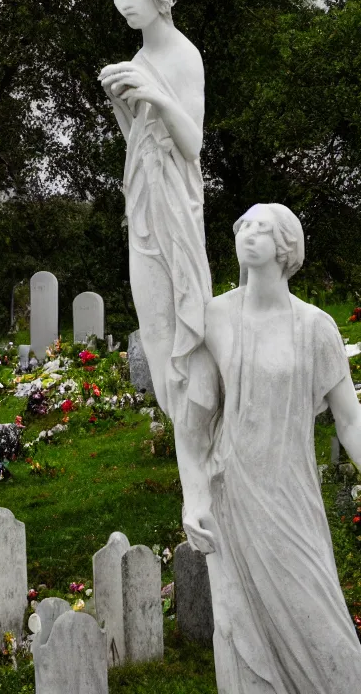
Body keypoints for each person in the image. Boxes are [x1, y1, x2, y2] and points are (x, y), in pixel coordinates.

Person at [186, 203, 361, 693]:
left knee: (322, 624)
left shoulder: (315, 328)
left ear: (287, 248)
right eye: (246, 225)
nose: (251, 234)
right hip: (233, 498)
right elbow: (194, 421)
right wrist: (193, 495)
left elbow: (349, 418)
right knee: (240, 630)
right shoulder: (215, 316)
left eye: (265, 229)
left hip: (290, 497)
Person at [98, 0, 211, 420]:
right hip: (142, 202)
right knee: (155, 326)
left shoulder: (184, 56)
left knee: (186, 323)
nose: (125, 1)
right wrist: (121, 105)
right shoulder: (139, 57)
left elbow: (191, 144)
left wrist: (155, 96)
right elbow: (138, 143)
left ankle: (199, 434)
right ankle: (184, 440)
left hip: (177, 206)